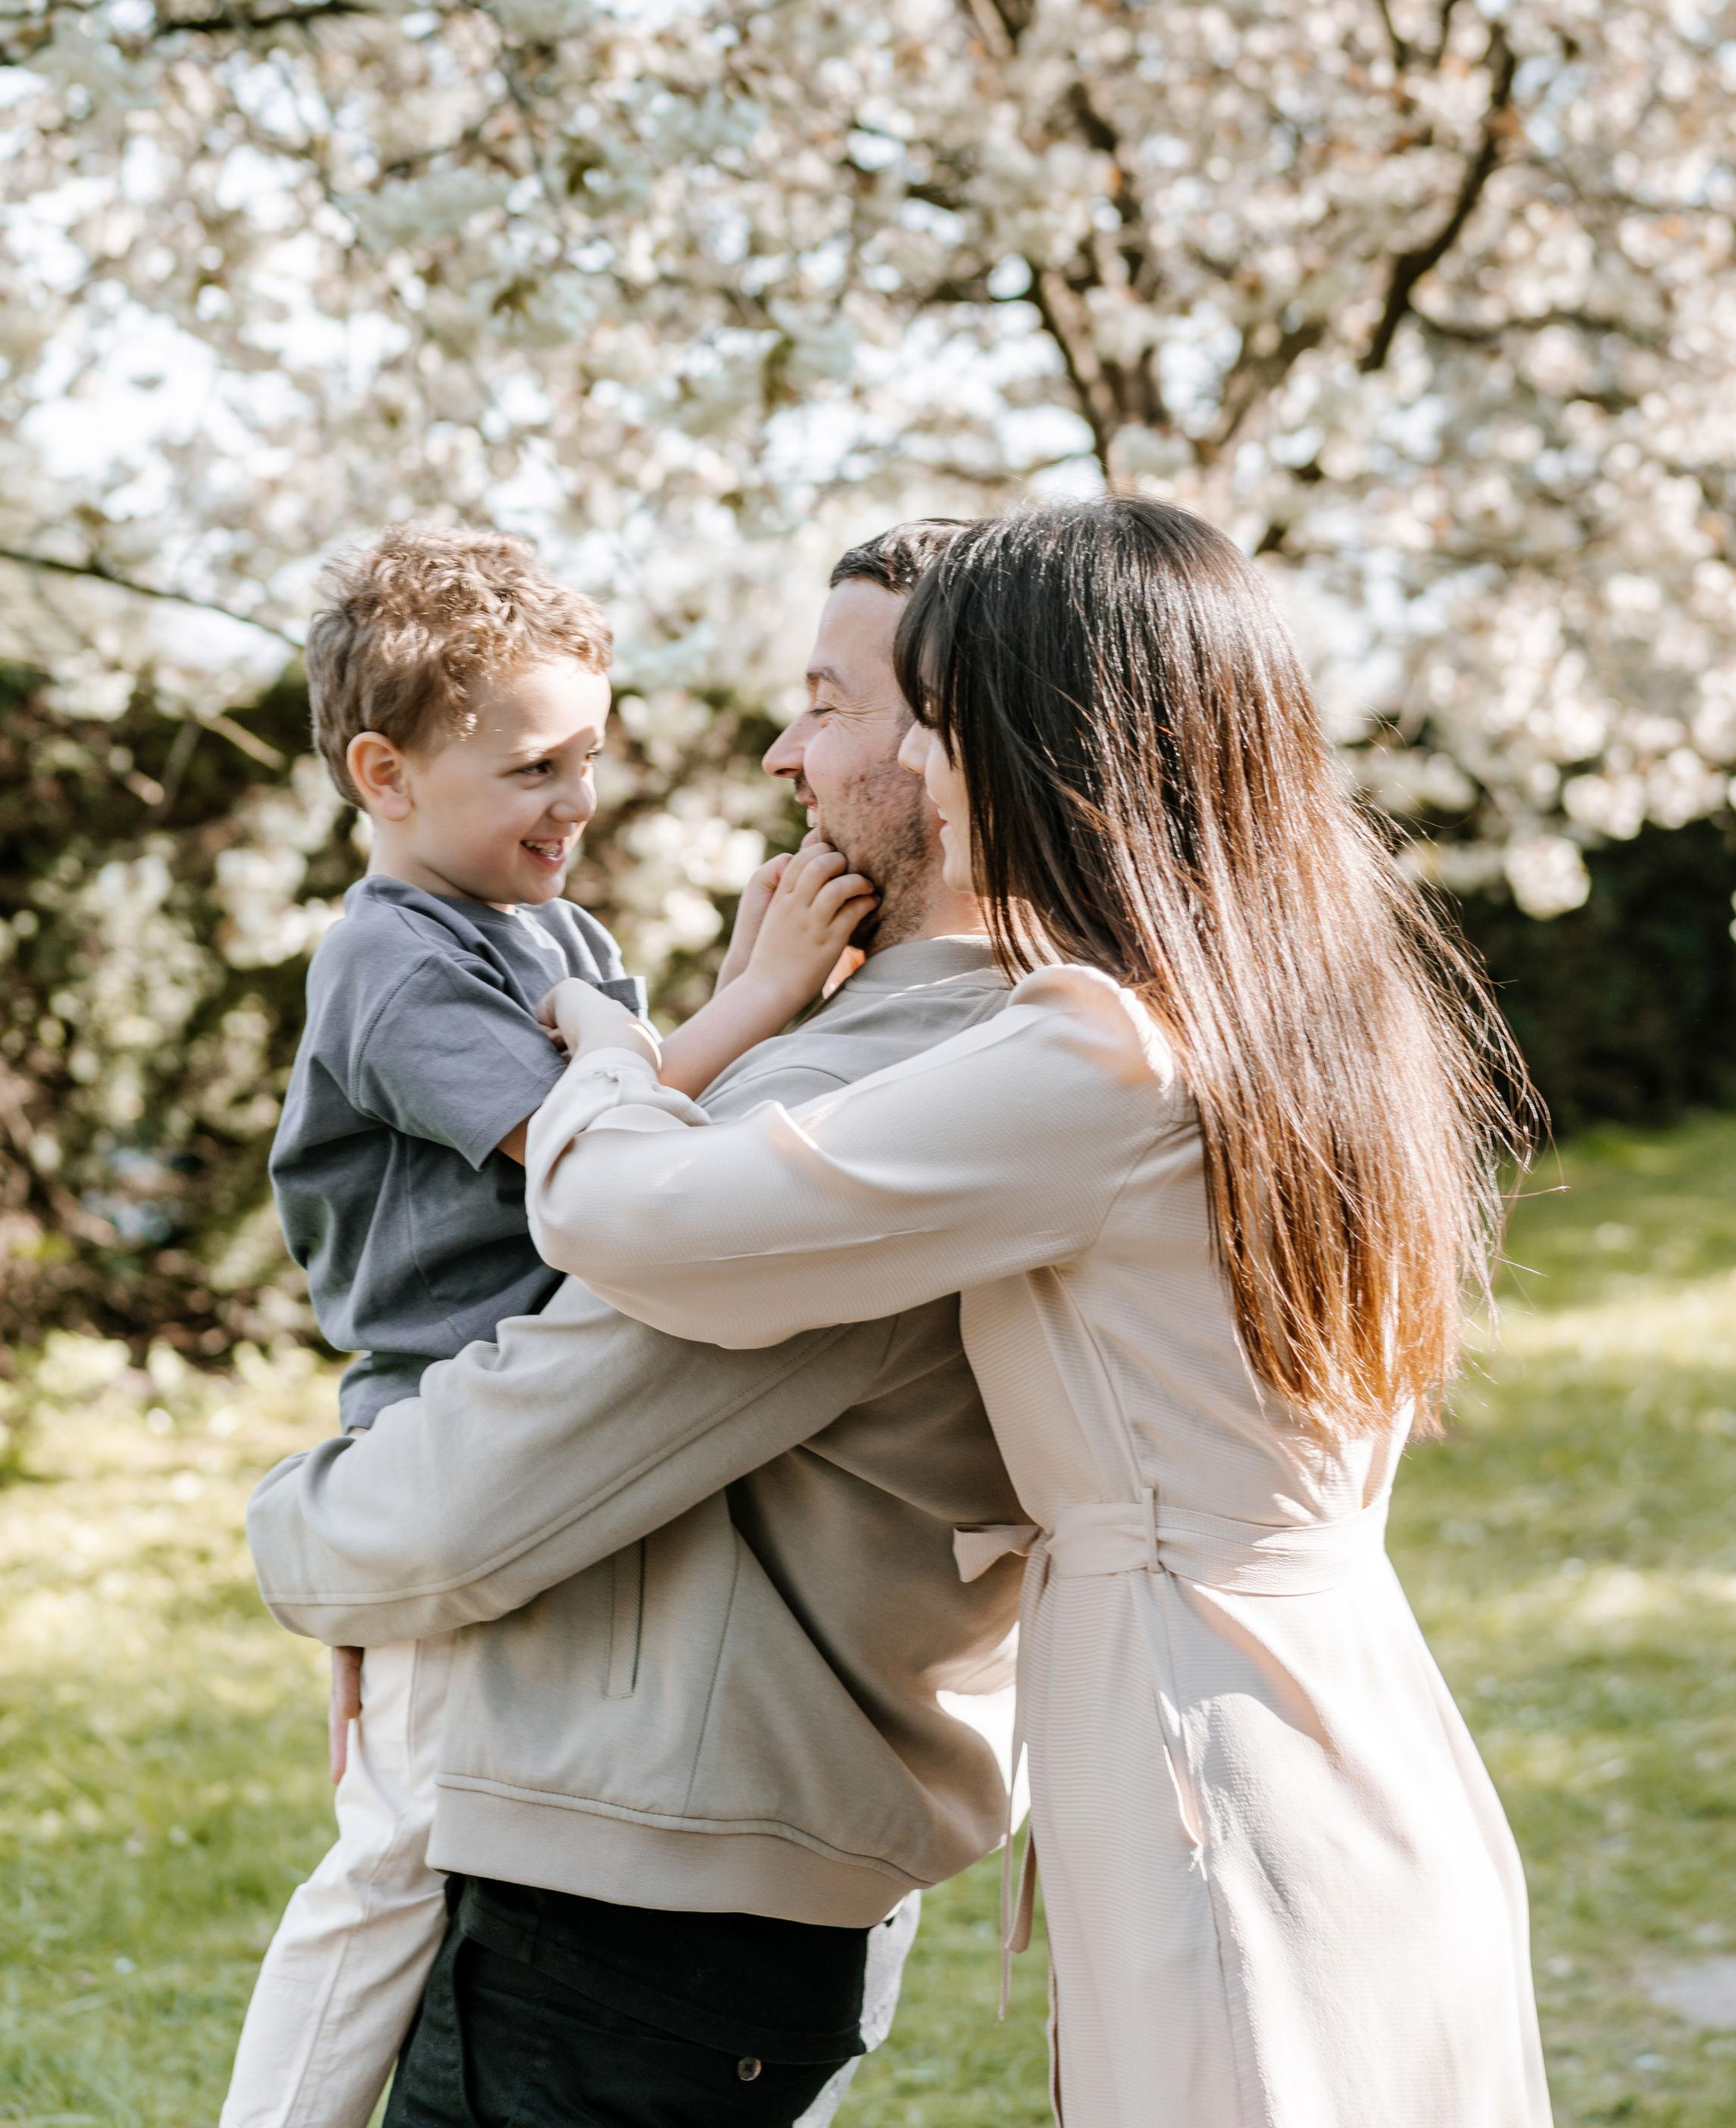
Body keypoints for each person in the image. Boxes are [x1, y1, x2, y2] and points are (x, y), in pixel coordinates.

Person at [525, 500, 1555, 2128]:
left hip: (1209, 1760)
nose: (919, 773)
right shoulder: (1310, 1005)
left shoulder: (1098, 1054)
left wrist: (604, 1052)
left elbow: (639, 1225)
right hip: (1346, 1712)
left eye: (936, 721)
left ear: (1042, 741)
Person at [244, 522, 1031, 2128]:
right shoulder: (394, 953)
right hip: (431, 1377)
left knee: (399, 1834)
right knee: (386, 1847)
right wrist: (741, 1009)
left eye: (826, 699)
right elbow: (582, 1165)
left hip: (658, 1847)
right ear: (384, 772)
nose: (579, 803)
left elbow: (635, 1183)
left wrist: (704, 1023)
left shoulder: (580, 945)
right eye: (535, 764)